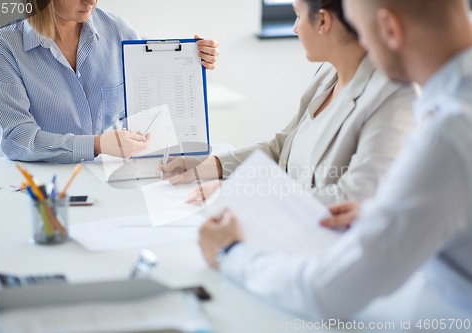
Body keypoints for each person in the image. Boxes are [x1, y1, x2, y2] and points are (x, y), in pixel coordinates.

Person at [198, 0, 472, 319]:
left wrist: (231, 251)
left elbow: (327, 292)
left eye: (362, 30)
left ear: (389, 29)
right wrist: (377, 214)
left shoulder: (447, 133)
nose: (361, 44)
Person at [160, 0, 415, 207]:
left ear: (323, 21)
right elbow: (281, 148)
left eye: (298, 15)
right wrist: (210, 165)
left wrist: (246, 193)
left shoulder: (393, 96)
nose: (295, 28)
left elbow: (353, 198)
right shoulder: (327, 75)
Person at [0, 0, 219, 163]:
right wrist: (95, 145)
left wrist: (189, 61)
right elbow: (15, 138)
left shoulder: (119, 30)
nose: (91, 1)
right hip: (43, 182)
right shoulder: (7, 42)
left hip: (110, 174)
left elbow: (148, 111)